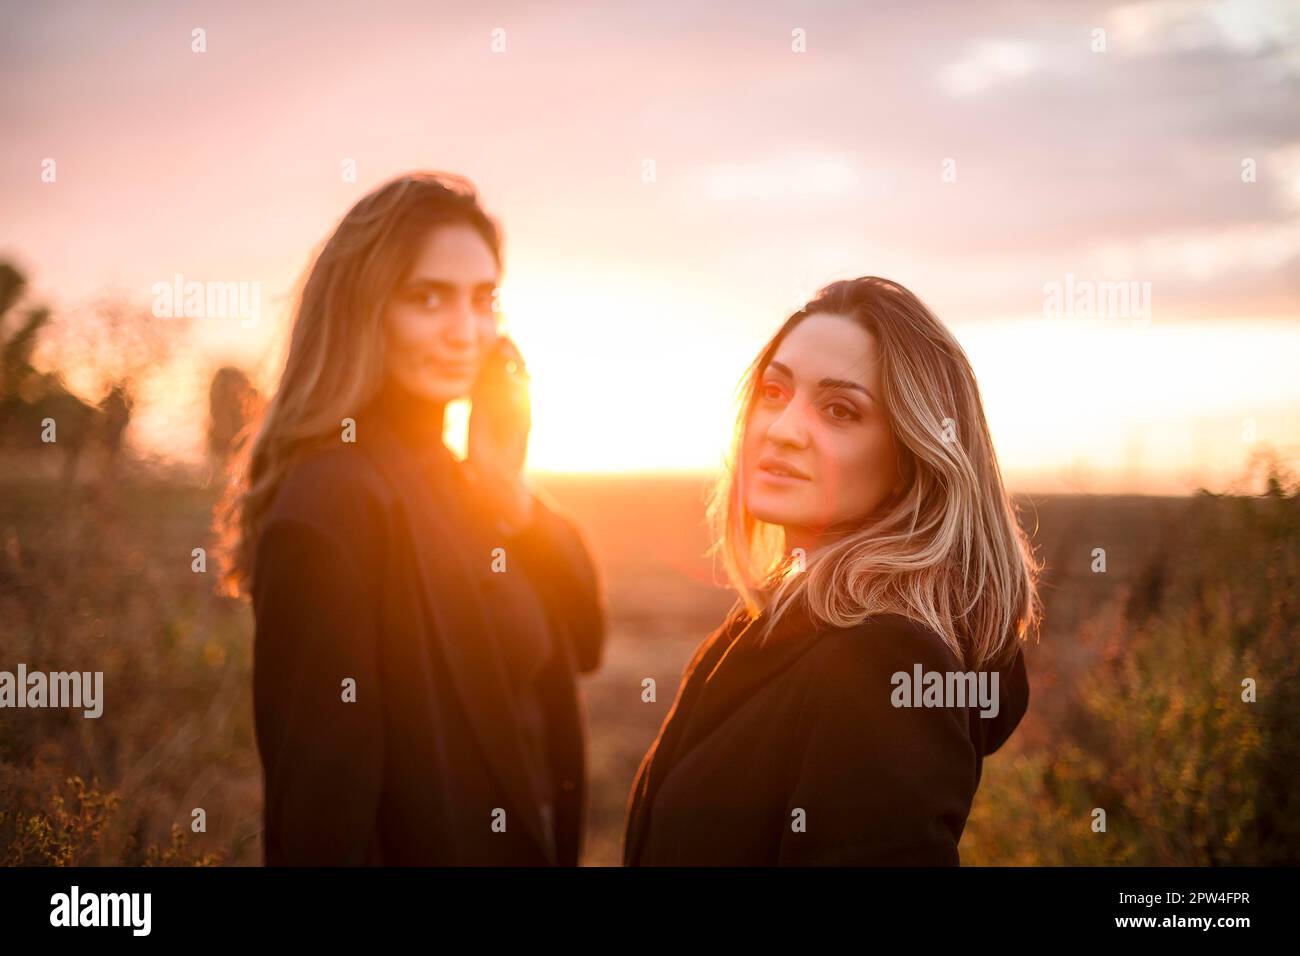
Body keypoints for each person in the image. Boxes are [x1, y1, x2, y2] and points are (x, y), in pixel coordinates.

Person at [214, 171, 606, 865]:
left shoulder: (466, 483)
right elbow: (320, 823)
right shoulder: (333, 502)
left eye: (483, 300)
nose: (466, 332)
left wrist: (506, 488)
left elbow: (585, 637)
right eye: (429, 299)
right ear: (365, 311)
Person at [624, 276, 1039, 866]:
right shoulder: (776, 625)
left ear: (910, 459)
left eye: (840, 410)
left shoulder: (885, 664)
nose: (783, 429)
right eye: (774, 391)